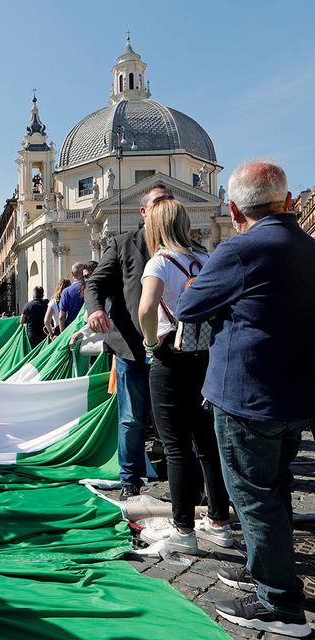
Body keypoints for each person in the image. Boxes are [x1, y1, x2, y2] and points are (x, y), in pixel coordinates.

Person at [177, 161, 314, 638]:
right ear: (290, 202)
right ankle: (266, 574)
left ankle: (279, 603)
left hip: (246, 395)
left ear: (234, 209)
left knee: (254, 500)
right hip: (294, 395)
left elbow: (190, 306)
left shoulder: (241, 249)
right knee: (274, 490)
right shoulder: (307, 247)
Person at [137, 199, 231, 554]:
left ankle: (183, 528)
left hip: (170, 358)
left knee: (176, 446)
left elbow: (146, 308)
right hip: (206, 357)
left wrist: (149, 342)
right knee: (208, 444)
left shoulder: (159, 262)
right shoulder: (207, 260)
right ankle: (219, 521)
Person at [84, 183, 173, 500]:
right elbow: (94, 284)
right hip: (133, 349)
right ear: (144, 211)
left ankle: (178, 475)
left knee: (173, 419)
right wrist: (94, 310)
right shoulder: (122, 245)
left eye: (169, 201)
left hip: (173, 350)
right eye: (159, 202)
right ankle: (130, 479)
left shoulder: (180, 246)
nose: (165, 206)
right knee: (132, 418)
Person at [59, 262, 85, 331]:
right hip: (87, 327)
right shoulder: (91, 288)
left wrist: (62, 334)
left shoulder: (66, 291)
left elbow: (62, 317)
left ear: (72, 274)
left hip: (71, 328)